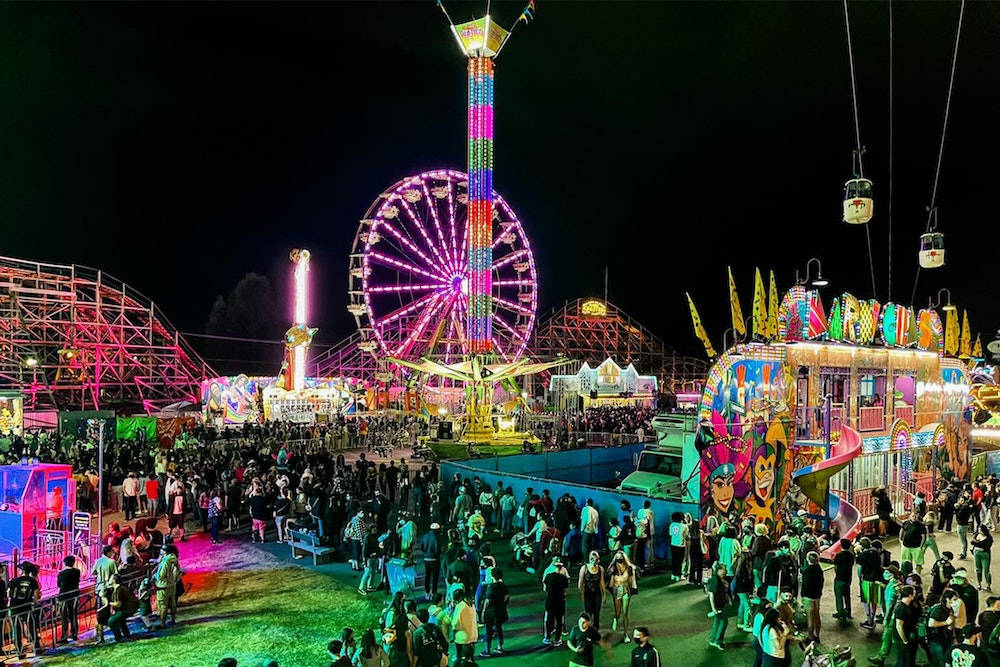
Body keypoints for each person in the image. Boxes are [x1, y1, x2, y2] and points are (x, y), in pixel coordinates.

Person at [8, 562, 41, 657]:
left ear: (21, 570)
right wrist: (34, 603)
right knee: (31, 628)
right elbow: (36, 597)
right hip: (26, 607)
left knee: (16, 630)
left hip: (14, 608)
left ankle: (19, 652)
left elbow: (9, 594)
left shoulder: (13, 581)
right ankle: (36, 648)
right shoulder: (33, 582)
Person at [481, 567, 509, 656]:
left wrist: (483, 610)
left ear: (492, 575)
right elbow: (506, 597)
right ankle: (500, 647)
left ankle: (487, 650)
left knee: (488, 631)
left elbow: (488, 601)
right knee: (499, 629)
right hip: (500, 610)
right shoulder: (503, 585)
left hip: (491, 612)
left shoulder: (491, 587)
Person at [153, 544, 181, 628]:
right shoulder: (175, 559)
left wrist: (155, 576)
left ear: (165, 551)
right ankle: (173, 620)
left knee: (163, 605)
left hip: (163, 586)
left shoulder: (166, 561)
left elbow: (161, 575)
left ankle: (162, 623)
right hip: (172, 585)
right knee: (172, 603)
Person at [543, 556, 570, 646]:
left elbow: (545, 588)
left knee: (548, 619)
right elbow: (565, 590)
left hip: (550, 601)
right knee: (559, 621)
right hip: (560, 601)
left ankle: (547, 638)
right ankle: (557, 639)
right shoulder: (563, 578)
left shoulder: (548, 576)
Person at [889, 585, 917, 667]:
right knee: (902, 660)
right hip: (900, 639)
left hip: (905, 636)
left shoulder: (907, 606)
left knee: (904, 659)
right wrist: (905, 640)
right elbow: (899, 626)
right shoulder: (901, 608)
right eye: (914, 593)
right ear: (910, 596)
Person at [578, 550, 606, 631]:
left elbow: (602, 582)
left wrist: (604, 594)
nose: (593, 561)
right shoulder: (584, 568)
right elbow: (580, 582)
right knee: (588, 612)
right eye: (591, 559)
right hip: (588, 593)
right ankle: (588, 629)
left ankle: (596, 630)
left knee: (596, 613)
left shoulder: (600, 569)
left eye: (595, 559)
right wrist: (581, 593)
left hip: (597, 593)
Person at [107, 573, 140, 642]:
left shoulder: (119, 590)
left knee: (111, 621)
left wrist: (108, 603)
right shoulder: (117, 589)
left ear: (114, 580)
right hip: (126, 608)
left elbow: (118, 604)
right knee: (121, 620)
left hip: (128, 609)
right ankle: (126, 635)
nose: (108, 579)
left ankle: (119, 637)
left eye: (110, 578)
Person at [706, 562, 730, 651]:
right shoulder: (715, 580)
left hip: (719, 605)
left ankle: (713, 639)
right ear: (718, 570)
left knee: (718, 621)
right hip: (717, 606)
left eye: (725, 570)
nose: (725, 571)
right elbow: (711, 594)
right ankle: (718, 641)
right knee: (723, 621)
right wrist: (713, 608)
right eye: (722, 569)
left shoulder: (720, 580)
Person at [800, 551, 824, 642]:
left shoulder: (807, 571)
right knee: (817, 615)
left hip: (808, 596)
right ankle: (817, 635)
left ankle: (810, 636)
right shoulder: (819, 569)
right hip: (817, 595)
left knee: (810, 617)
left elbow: (805, 585)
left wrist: (802, 595)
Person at [57, 555, 81, 643]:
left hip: (64, 596)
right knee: (73, 615)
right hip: (74, 595)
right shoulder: (77, 571)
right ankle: (74, 633)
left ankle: (64, 636)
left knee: (64, 617)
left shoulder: (62, 573)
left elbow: (59, 585)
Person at [452, 588, 478, 667]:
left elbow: (456, 623)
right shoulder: (471, 604)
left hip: (462, 638)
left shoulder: (460, 606)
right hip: (473, 635)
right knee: (471, 657)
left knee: (461, 660)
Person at [832, 538, 854, 621]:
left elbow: (836, 567)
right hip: (848, 578)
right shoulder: (851, 556)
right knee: (847, 595)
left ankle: (840, 612)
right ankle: (848, 611)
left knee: (839, 596)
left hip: (840, 578)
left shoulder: (839, 555)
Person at [972, 524, 994, 591]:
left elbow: (986, 547)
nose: (979, 531)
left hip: (985, 555)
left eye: (980, 530)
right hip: (977, 554)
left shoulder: (989, 538)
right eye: (978, 529)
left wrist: (977, 543)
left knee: (986, 571)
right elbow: (972, 542)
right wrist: (979, 544)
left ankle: (988, 585)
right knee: (978, 569)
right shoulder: (977, 535)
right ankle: (979, 584)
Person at [668, 512, 687, 582]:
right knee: (680, 561)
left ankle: (673, 574)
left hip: (673, 544)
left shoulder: (672, 525)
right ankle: (678, 575)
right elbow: (686, 536)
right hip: (681, 545)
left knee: (674, 560)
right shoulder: (684, 526)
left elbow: (670, 534)